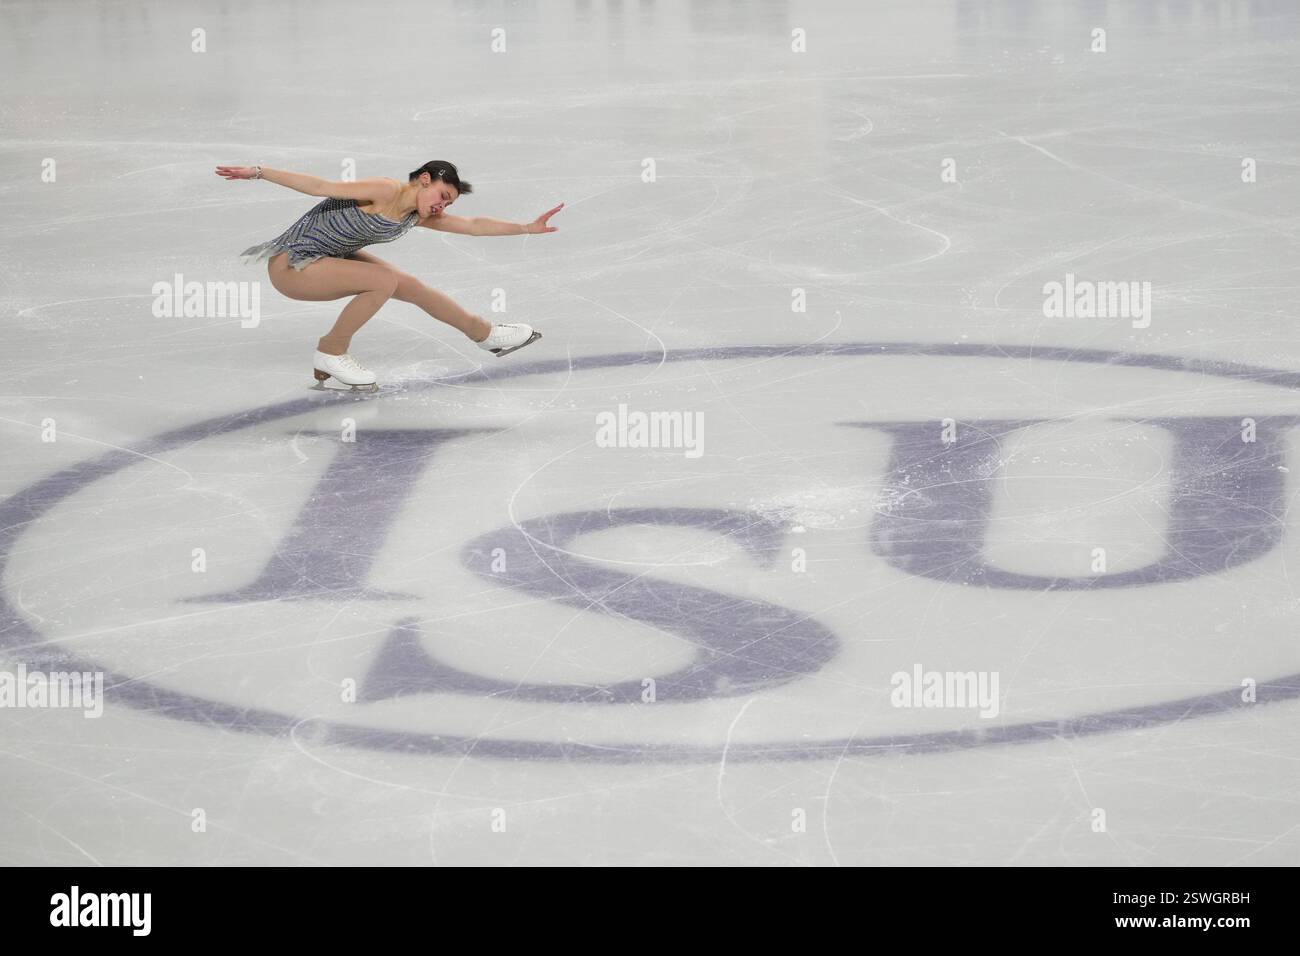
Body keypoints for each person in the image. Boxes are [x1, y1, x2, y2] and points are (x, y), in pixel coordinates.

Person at [216, 160, 562, 390]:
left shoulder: (417, 214)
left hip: (326, 259)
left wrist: (526, 228)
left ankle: (485, 334)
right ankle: (331, 351)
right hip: (292, 265)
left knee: (411, 286)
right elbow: (320, 186)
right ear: (424, 179)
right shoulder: (385, 190)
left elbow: (473, 226)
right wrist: (259, 172)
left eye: (449, 203)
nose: (443, 206)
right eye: (443, 195)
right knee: (383, 281)